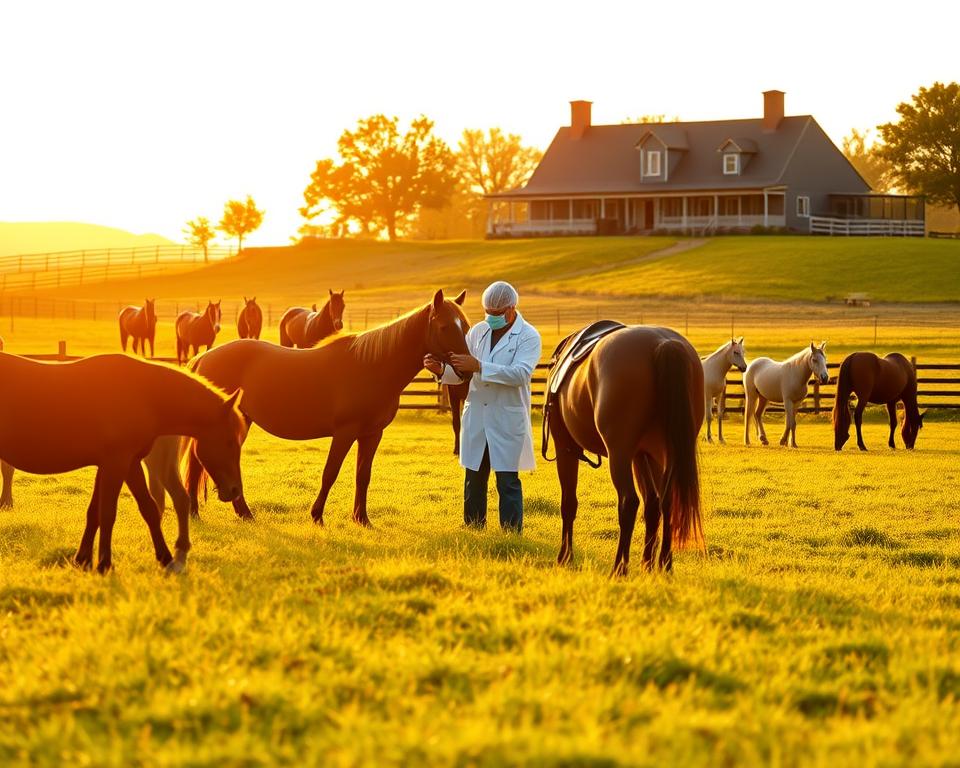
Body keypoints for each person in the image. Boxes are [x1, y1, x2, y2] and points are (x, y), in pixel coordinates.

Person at [424, 281, 541, 532]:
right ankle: (473, 529)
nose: (491, 317)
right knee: (473, 478)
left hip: (506, 418)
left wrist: (479, 366)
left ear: (511, 309)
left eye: (496, 313)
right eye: (488, 312)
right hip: (477, 415)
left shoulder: (529, 336)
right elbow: (463, 373)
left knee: (507, 481)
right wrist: (441, 371)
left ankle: (511, 534)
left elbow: (520, 374)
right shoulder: (477, 332)